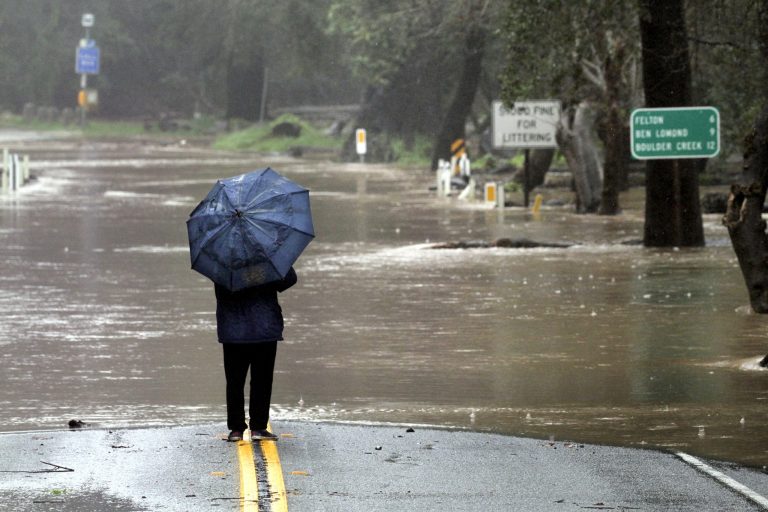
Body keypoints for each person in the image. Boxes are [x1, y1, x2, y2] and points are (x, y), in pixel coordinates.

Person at [215, 267, 297, 442]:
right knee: (262, 379)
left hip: (232, 331)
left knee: (234, 381)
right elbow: (289, 280)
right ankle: (258, 428)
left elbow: (220, 290)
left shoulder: (223, 261)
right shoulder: (267, 259)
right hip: (264, 327)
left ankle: (236, 430)